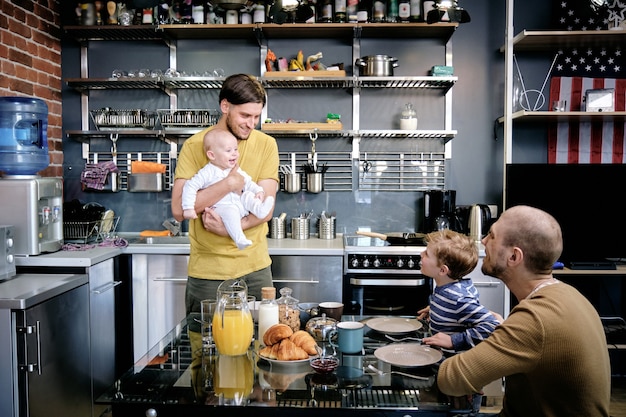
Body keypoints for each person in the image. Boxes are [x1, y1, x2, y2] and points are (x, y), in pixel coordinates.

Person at [436, 205, 611, 417]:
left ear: (513, 257)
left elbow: (451, 379)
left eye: (491, 236)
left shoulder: (535, 320)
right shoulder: (569, 294)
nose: (483, 242)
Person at [171, 74, 279, 361]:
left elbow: (265, 207)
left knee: (263, 356)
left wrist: (229, 229)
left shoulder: (266, 145)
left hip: (256, 270)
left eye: (256, 116)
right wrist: (228, 185)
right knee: (205, 362)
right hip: (208, 273)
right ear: (225, 106)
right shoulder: (196, 146)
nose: (250, 124)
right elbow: (180, 209)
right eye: (245, 115)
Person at [417, 229, 502, 414]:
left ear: (442, 270)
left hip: (460, 378)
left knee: (460, 412)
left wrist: (452, 340)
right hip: (447, 370)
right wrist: (435, 309)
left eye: (426, 254)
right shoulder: (448, 288)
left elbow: (492, 325)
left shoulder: (457, 298)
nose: (421, 254)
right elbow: (458, 313)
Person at [181, 128, 275, 250]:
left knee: (247, 195)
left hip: (240, 205)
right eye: (228, 150)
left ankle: (259, 209)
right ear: (212, 155)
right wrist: (188, 208)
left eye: (236, 149)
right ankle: (239, 239)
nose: (235, 153)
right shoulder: (207, 172)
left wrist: (259, 191)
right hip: (222, 208)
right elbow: (190, 186)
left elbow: (247, 181)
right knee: (231, 212)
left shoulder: (236, 169)